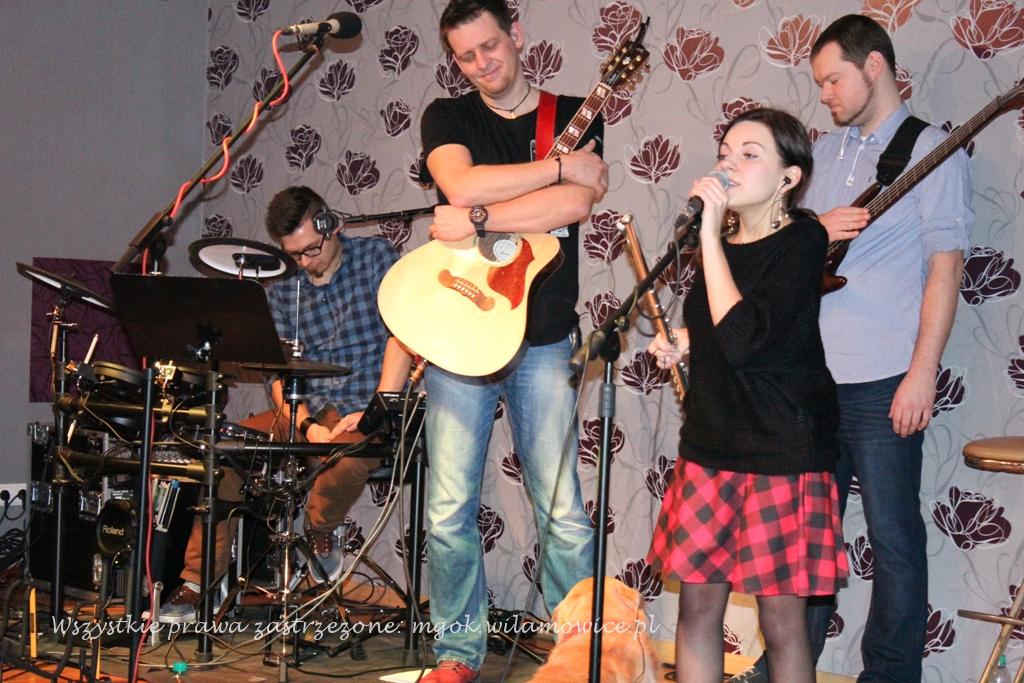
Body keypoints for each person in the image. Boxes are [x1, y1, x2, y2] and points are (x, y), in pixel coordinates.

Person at [729, 15, 972, 683]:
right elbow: (772, 247)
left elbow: (945, 269)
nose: (825, 94)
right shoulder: (823, 152)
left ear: (874, 67)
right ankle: (787, 667)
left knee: (894, 537)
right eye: (820, 83)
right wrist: (810, 227)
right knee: (804, 536)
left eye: (834, 80)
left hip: (885, 375)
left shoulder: (932, 150)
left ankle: (890, 675)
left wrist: (922, 373)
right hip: (809, 379)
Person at [416, 0, 609, 679]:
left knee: (563, 511)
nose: (481, 64)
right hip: (460, 332)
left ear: (517, 35)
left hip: (544, 336)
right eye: (466, 56)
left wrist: (473, 218)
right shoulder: (447, 116)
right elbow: (460, 181)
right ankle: (456, 653)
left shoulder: (575, 113)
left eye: (490, 46)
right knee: (447, 510)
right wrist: (557, 169)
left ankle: (579, 657)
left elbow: (573, 206)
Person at [646, 107, 848, 683]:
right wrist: (685, 341)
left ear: (789, 177)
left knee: (781, 622)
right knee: (696, 609)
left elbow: (745, 338)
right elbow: (726, 329)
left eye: (749, 153)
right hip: (711, 444)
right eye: (725, 152)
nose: (729, 165)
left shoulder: (803, 239)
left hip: (779, 450)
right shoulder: (720, 244)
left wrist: (709, 238)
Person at [157, 185, 411, 623]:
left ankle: (320, 531)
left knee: (347, 460)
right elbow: (276, 374)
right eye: (294, 254)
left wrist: (377, 410)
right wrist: (307, 424)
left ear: (331, 225)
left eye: (312, 249)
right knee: (226, 453)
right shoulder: (281, 289)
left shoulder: (376, 259)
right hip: (303, 408)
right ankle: (198, 581)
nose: (305, 261)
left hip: (363, 407)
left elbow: (403, 335)